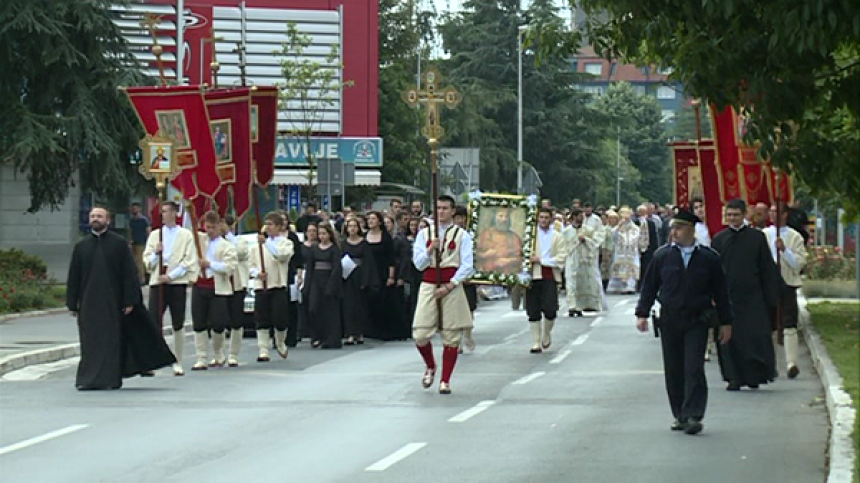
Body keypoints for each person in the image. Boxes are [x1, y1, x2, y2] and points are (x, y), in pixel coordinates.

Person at [635, 208, 733, 435]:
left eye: (679, 228)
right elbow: (649, 286)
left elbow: (721, 292)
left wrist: (726, 322)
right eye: (673, 228)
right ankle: (679, 413)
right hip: (670, 319)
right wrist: (642, 313)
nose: (674, 232)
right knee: (674, 368)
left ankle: (694, 414)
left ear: (691, 230)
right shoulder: (662, 256)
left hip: (697, 320)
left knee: (693, 367)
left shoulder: (708, 258)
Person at [67, 207, 175, 390]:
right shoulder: (81, 246)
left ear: (107, 220)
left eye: (99, 216)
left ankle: (109, 379)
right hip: (88, 304)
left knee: (111, 342)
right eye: (93, 216)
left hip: (113, 304)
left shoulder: (118, 244)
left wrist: (130, 300)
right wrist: (72, 303)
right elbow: (74, 276)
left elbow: (128, 275)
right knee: (90, 342)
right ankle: (87, 379)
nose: (95, 219)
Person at [712, 199, 782, 391]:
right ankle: (733, 377)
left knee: (754, 337)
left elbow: (766, 267)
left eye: (736, 215)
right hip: (727, 297)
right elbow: (713, 270)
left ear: (744, 215)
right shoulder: (719, 239)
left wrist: (771, 296)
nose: (732, 218)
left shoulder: (756, 238)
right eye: (729, 215)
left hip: (752, 297)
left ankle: (754, 375)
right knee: (729, 339)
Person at [412, 195, 475, 394]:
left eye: (445, 208)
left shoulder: (462, 235)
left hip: (451, 285)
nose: (441, 212)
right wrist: (430, 249)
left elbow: (467, 265)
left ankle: (445, 380)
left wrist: (451, 285)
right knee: (420, 334)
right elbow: (418, 263)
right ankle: (430, 365)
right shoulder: (424, 234)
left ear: (453, 211)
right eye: (438, 208)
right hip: (429, 283)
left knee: (451, 335)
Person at [143, 201, 198, 376]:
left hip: (176, 282)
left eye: (167, 211)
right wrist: (156, 254)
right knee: (153, 320)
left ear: (174, 213)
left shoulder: (185, 235)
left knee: (178, 321)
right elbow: (147, 261)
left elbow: (189, 260)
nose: (164, 215)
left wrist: (172, 276)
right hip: (158, 280)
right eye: (162, 212)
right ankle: (152, 359)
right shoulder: (155, 235)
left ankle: (178, 360)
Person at [763, 202, 807, 379]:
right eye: (771, 212)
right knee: (768, 324)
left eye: (777, 212)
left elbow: (799, 264)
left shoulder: (795, 237)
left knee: (789, 323)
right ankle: (769, 364)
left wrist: (784, 250)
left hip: (787, 283)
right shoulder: (764, 235)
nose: (773, 215)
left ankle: (791, 363)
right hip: (768, 284)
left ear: (785, 215)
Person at [191, 211, 238, 370]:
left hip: (218, 288)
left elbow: (230, 267)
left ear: (219, 227)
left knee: (218, 323)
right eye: (207, 227)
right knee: (199, 323)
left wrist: (210, 264)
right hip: (200, 285)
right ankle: (201, 357)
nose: (209, 230)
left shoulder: (227, 246)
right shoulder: (201, 241)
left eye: (212, 227)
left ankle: (218, 352)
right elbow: (190, 230)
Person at [249, 212, 294, 362]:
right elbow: (251, 265)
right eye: (266, 224)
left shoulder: (286, 243)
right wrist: (257, 273)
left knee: (280, 319)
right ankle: (263, 349)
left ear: (279, 227)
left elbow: (281, 255)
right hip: (261, 286)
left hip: (278, 285)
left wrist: (266, 243)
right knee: (261, 318)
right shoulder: (256, 247)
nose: (268, 227)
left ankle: (280, 342)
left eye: (271, 224)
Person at [526, 207, 566, 353]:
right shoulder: (530, 235)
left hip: (549, 276)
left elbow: (561, 257)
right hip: (533, 276)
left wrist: (542, 260)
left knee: (550, 309)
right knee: (533, 309)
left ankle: (546, 333)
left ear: (551, 219)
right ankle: (536, 342)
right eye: (541, 217)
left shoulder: (557, 236)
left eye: (546, 218)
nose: (543, 220)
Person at [304, 223, 344, 348]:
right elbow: (310, 268)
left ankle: (330, 338)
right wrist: (307, 285)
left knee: (329, 311)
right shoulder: (314, 249)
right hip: (316, 280)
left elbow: (337, 268)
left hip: (329, 280)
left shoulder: (334, 249)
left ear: (329, 234)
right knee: (313, 308)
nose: (321, 236)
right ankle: (316, 336)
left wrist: (332, 285)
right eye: (319, 234)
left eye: (324, 233)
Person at [342, 217, 378, 345]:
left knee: (360, 305)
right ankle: (350, 334)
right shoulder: (343, 243)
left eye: (354, 226)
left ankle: (360, 333)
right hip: (347, 276)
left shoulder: (364, 244)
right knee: (348, 306)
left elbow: (369, 263)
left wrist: (366, 279)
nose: (352, 228)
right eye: (350, 226)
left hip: (360, 275)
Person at [563, 208, 603, 316]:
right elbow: (563, 247)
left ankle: (584, 305)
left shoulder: (588, 230)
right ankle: (572, 306)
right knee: (571, 283)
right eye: (579, 216)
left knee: (586, 282)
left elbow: (596, 242)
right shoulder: (566, 231)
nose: (581, 218)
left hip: (586, 260)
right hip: (572, 260)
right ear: (574, 217)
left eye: (582, 216)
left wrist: (586, 240)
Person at [365, 211, 397, 340]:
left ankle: (384, 331)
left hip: (382, 272)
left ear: (379, 222)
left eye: (373, 219)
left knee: (383, 302)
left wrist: (391, 276)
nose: (371, 221)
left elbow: (391, 258)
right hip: (368, 273)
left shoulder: (385, 237)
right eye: (369, 219)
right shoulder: (364, 236)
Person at [223, 214, 249, 367]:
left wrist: (228, 235)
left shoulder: (240, 241)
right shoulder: (215, 243)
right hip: (221, 283)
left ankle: (233, 354)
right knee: (218, 319)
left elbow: (240, 253)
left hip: (237, 284)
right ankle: (218, 352)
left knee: (236, 320)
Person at [454, 205, 477, 353]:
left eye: (461, 218)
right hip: (452, 278)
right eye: (456, 218)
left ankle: (467, 335)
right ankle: (457, 341)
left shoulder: (471, 235)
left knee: (469, 308)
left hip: (468, 278)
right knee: (454, 310)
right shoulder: (447, 234)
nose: (458, 221)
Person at [476, 207, 523, 275]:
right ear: (495, 218)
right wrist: (485, 255)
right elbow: (474, 254)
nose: (504, 219)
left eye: (506, 216)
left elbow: (521, 258)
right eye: (501, 216)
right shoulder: (486, 234)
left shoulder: (514, 237)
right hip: (487, 274)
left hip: (508, 275)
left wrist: (508, 261)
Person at [607, 207, 641, 294]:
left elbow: (638, 238)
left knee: (631, 269)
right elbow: (612, 236)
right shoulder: (618, 228)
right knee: (619, 269)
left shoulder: (635, 228)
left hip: (631, 254)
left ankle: (630, 287)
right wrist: (619, 226)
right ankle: (619, 287)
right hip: (620, 253)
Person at [636, 204, 658, 291]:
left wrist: (655, 249)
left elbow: (654, 237)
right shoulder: (635, 222)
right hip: (637, 248)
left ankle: (645, 285)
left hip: (648, 248)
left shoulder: (651, 223)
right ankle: (639, 285)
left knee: (647, 267)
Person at [128, 203, 150, 285]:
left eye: (136, 208)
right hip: (134, 243)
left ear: (139, 209)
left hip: (142, 243)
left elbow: (148, 231)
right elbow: (130, 231)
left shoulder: (144, 220)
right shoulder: (132, 220)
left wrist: (148, 242)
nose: (134, 210)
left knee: (139, 262)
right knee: (134, 261)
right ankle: (137, 278)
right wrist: (130, 241)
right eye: (133, 208)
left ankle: (142, 280)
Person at [600, 210, 618, 290]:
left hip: (611, 250)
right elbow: (604, 242)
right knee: (604, 269)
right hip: (606, 250)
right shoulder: (603, 229)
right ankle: (604, 285)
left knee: (608, 269)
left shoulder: (609, 228)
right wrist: (605, 252)